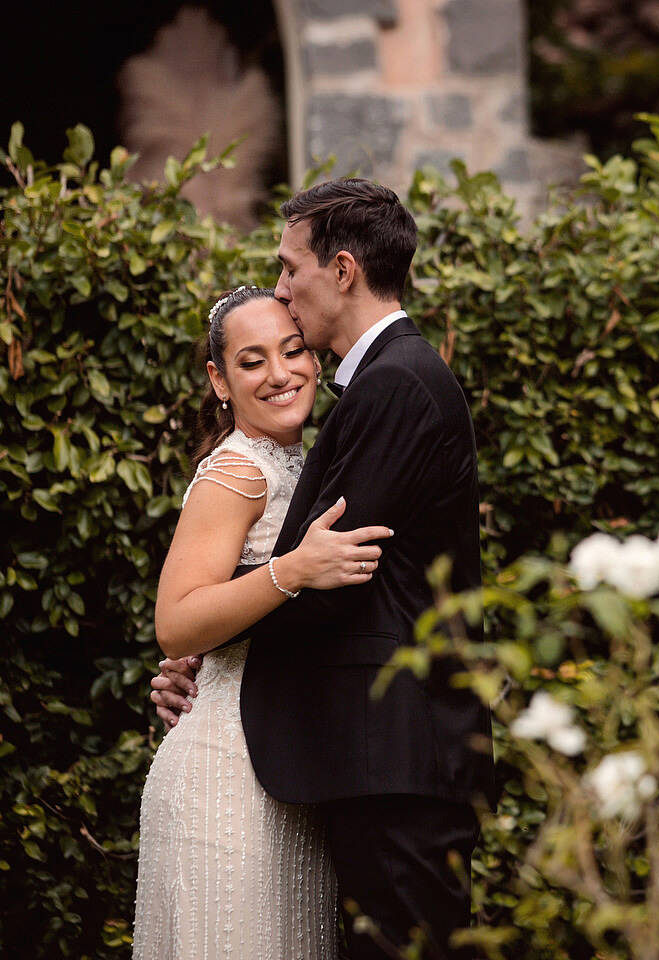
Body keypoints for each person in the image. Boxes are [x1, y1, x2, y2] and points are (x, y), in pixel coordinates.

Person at [150, 178, 496, 959]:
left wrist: (211, 649)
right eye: (251, 360)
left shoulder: (395, 384)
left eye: (289, 266)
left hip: (394, 755)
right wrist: (204, 648)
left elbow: (337, 578)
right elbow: (309, 571)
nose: (281, 287)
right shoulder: (379, 386)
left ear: (341, 270)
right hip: (358, 757)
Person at [132, 284, 394, 959]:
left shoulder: (304, 465)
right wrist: (293, 570)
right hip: (227, 777)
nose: (280, 374)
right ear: (219, 380)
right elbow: (176, 622)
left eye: (293, 350)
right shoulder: (237, 473)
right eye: (252, 362)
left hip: (287, 773)